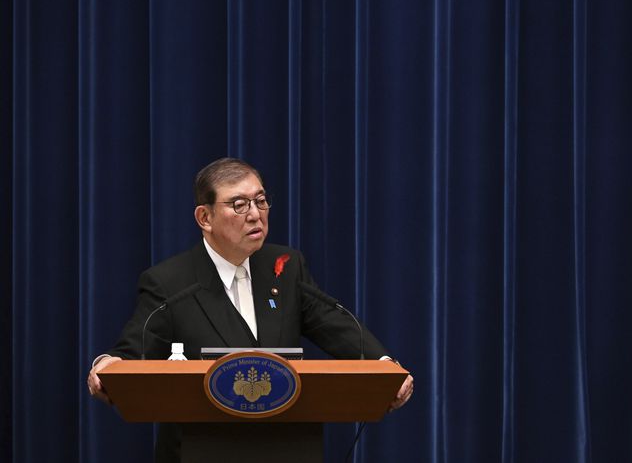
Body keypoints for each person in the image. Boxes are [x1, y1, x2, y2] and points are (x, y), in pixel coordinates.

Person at [87, 157, 413, 461]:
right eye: (239, 205)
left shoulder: (285, 266)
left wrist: (384, 365)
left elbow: (331, 323)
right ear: (205, 218)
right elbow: (134, 350)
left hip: (287, 449)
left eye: (260, 200)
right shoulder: (170, 282)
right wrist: (109, 365)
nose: (256, 214)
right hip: (203, 452)